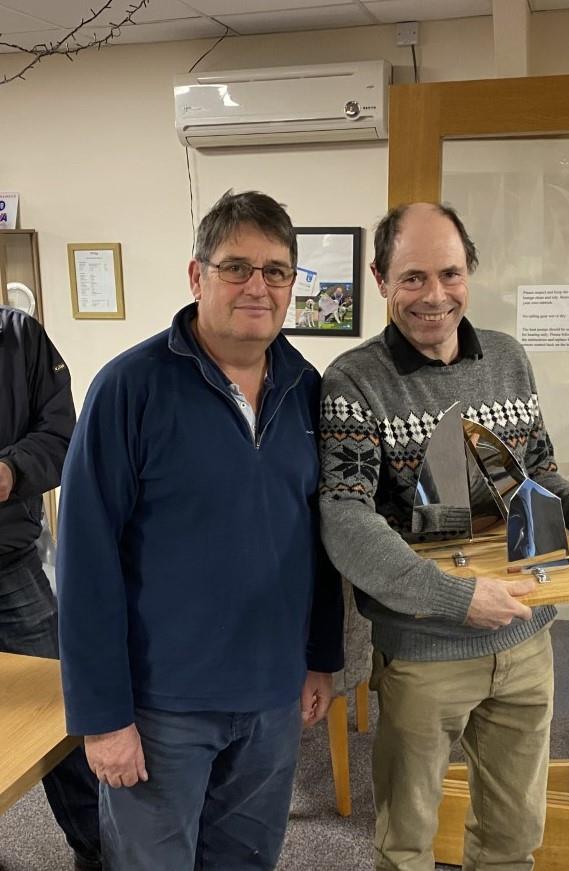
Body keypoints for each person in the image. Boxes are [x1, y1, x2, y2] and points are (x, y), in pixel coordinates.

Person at [318, 202, 569, 871]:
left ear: (469, 273)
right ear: (380, 279)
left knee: (511, 838)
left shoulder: (507, 357)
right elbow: (345, 520)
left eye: (448, 273)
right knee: (405, 842)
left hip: (525, 640)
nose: (433, 295)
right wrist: (453, 596)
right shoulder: (353, 380)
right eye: (412, 277)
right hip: (424, 650)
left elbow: (536, 476)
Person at [56, 190, 343, 871]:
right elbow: (85, 559)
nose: (257, 285)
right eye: (236, 266)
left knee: (245, 861)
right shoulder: (130, 388)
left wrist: (320, 655)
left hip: (271, 697)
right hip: (161, 706)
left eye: (276, 271)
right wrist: (102, 717)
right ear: (196, 276)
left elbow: (325, 534)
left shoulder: (308, 388)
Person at [0, 305, 101, 871]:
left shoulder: (19, 336)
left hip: (10, 563)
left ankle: (96, 847)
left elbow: (63, 437)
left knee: (63, 714)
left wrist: (12, 471)